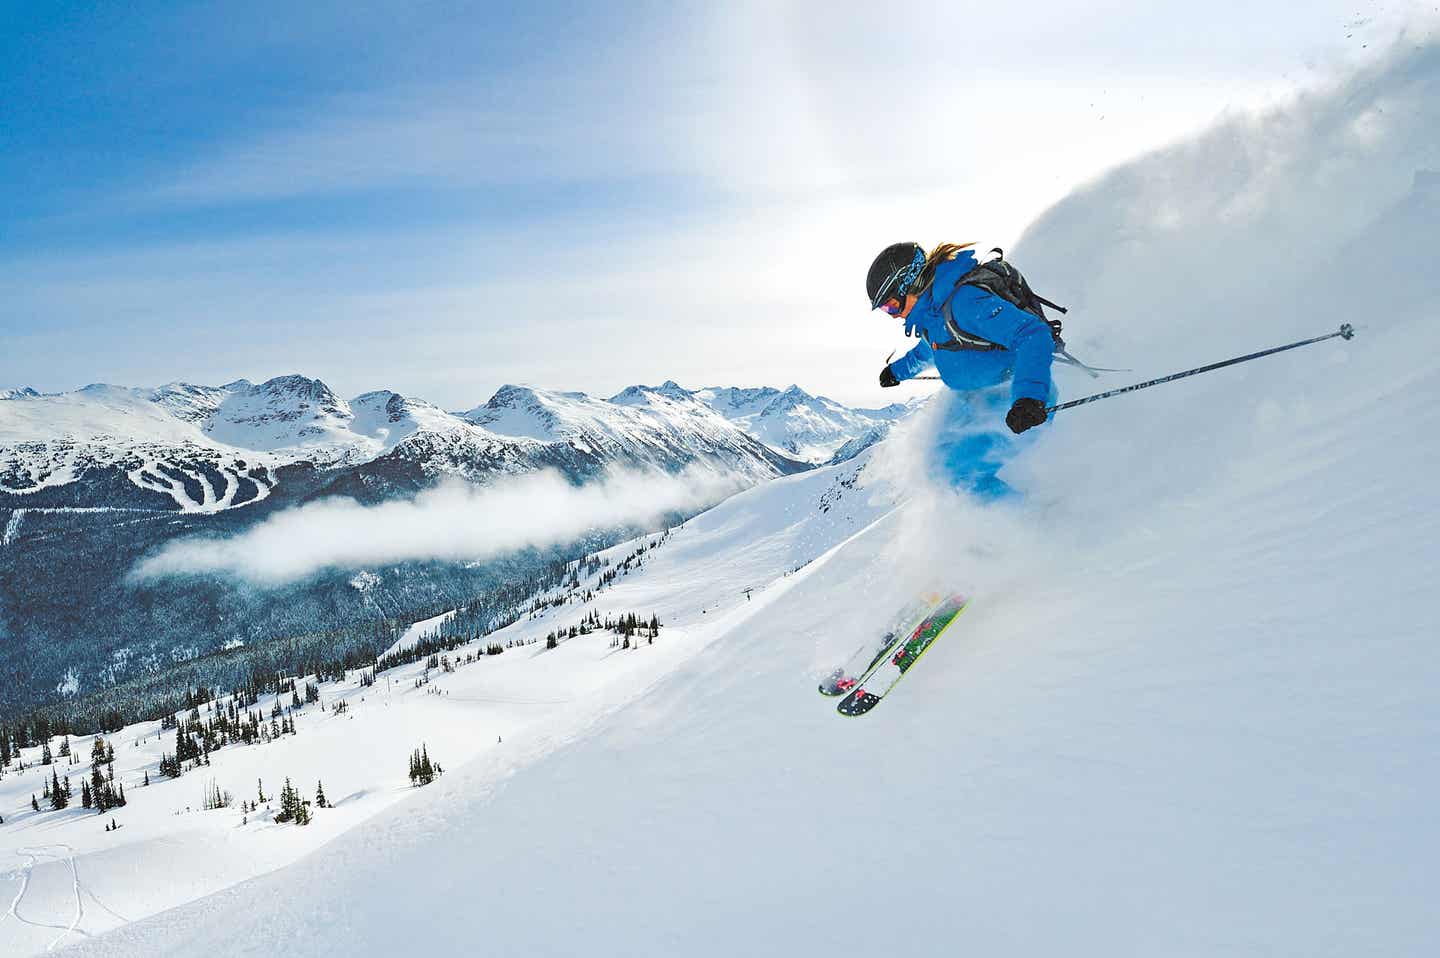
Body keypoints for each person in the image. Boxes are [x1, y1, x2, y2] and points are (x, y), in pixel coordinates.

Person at [867, 241, 1057, 499]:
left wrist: (1028, 398)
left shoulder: (964, 303)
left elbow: (1033, 334)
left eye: (891, 305)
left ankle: (1034, 525)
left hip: (1014, 398)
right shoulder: (931, 316)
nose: (892, 315)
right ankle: (993, 522)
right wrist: (896, 372)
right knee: (934, 463)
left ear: (909, 284)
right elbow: (928, 350)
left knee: (959, 474)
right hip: (975, 399)